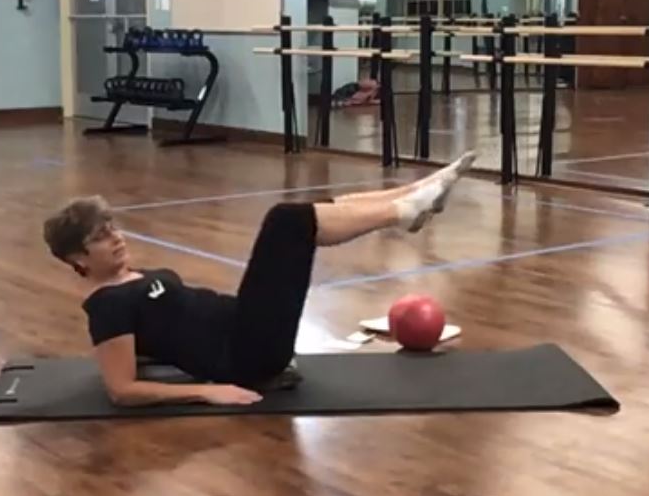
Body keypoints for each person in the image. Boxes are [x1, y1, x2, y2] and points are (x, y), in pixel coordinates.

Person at [42, 151, 477, 407]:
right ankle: (407, 210)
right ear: (77, 257)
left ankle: (414, 194)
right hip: (246, 353)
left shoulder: (130, 281)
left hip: (246, 327)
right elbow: (121, 389)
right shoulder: (106, 305)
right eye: (101, 238)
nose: (116, 239)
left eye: (113, 228)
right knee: (286, 220)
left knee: (308, 213)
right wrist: (208, 392)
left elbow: (151, 345)